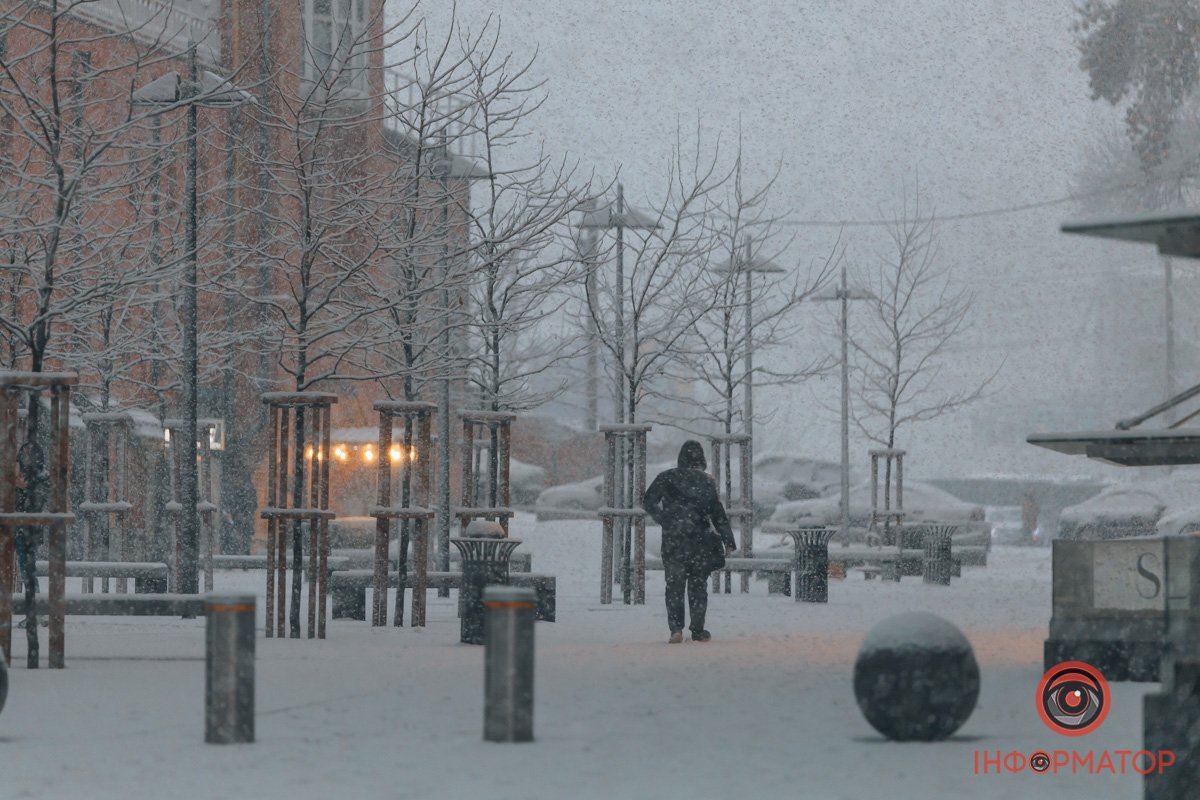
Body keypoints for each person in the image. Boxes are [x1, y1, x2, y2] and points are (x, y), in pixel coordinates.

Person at [642, 440, 737, 643]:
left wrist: (665, 520)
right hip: (700, 542)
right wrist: (728, 540)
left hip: (674, 541)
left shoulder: (666, 477)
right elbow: (717, 514)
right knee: (698, 586)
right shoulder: (706, 482)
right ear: (701, 460)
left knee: (674, 586)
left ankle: (676, 629)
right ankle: (697, 630)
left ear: (681, 458)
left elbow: (648, 501)